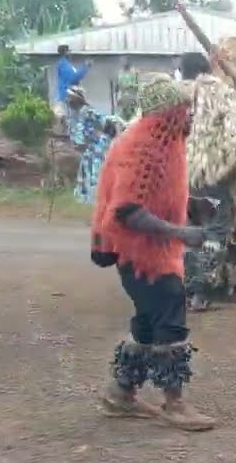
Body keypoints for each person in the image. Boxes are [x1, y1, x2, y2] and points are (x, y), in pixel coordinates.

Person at [90, 75, 216, 431]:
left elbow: (157, 194)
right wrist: (180, 232)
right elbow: (128, 210)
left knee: (148, 321)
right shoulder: (142, 149)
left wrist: (191, 206)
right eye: (184, 111)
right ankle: (174, 403)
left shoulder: (166, 144)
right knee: (169, 311)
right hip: (140, 255)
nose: (190, 117)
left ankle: (120, 394)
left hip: (152, 252)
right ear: (167, 114)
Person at [183, 48, 236, 312]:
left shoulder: (177, 96)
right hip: (214, 180)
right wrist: (232, 171)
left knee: (188, 231)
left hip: (182, 180)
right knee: (214, 231)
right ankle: (201, 293)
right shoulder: (224, 94)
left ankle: (188, 288)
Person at [66, 86, 122, 205]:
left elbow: (110, 126)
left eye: (70, 98)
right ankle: (91, 202)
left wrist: (102, 144)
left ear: (77, 99)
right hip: (87, 153)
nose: (68, 100)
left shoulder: (89, 112)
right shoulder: (74, 115)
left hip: (96, 152)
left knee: (96, 177)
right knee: (86, 177)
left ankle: (101, 202)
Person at [54, 45, 90, 119]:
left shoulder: (66, 64)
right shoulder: (64, 65)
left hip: (68, 97)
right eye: (69, 51)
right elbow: (73, 78)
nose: (71, 53)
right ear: (65, 52)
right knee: (72, 119)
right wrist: (85, 67)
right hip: (67, 97)